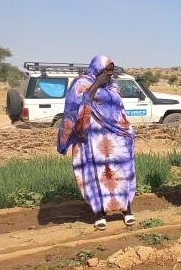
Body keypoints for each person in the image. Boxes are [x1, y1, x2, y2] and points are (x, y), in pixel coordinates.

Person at [57, 55, 136, 230]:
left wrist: (128, 131)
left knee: (121, 172)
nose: (109, 75)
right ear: (97, 70)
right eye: (106, 71)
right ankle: (99, 213)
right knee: (97, 174)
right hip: (92, 139)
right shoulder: (82, 83)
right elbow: (75, 106)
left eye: (111, 72)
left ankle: (126, 209)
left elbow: (120, 109)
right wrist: (96, 84)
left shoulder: (114, 86)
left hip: (116, 137)